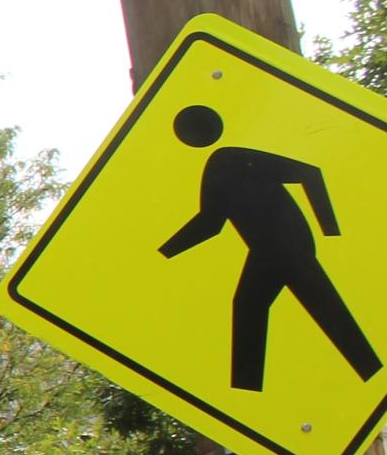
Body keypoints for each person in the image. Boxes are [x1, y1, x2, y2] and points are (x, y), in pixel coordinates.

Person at [159, 103, 380, 391]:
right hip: (268, 250)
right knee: (257, 305)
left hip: (287, 245)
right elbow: (210, 223)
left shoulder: (233, 159)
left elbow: (310, 173)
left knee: (315, 309)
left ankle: (247, 389)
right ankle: (246, 390)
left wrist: (332, 230)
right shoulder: (219, 164)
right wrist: (162, 253)